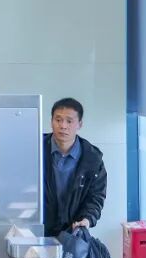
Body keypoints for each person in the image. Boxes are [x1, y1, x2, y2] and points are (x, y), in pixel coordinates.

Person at [43, 98, 107, 238]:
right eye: (58, 120)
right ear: (51, 121)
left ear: (80, 124)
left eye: (69, 121)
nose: (63, 126)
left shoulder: (92, 158)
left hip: (72, 234)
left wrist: (87, 219)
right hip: (37, 231)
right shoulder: (36, 149)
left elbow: (96, 197)